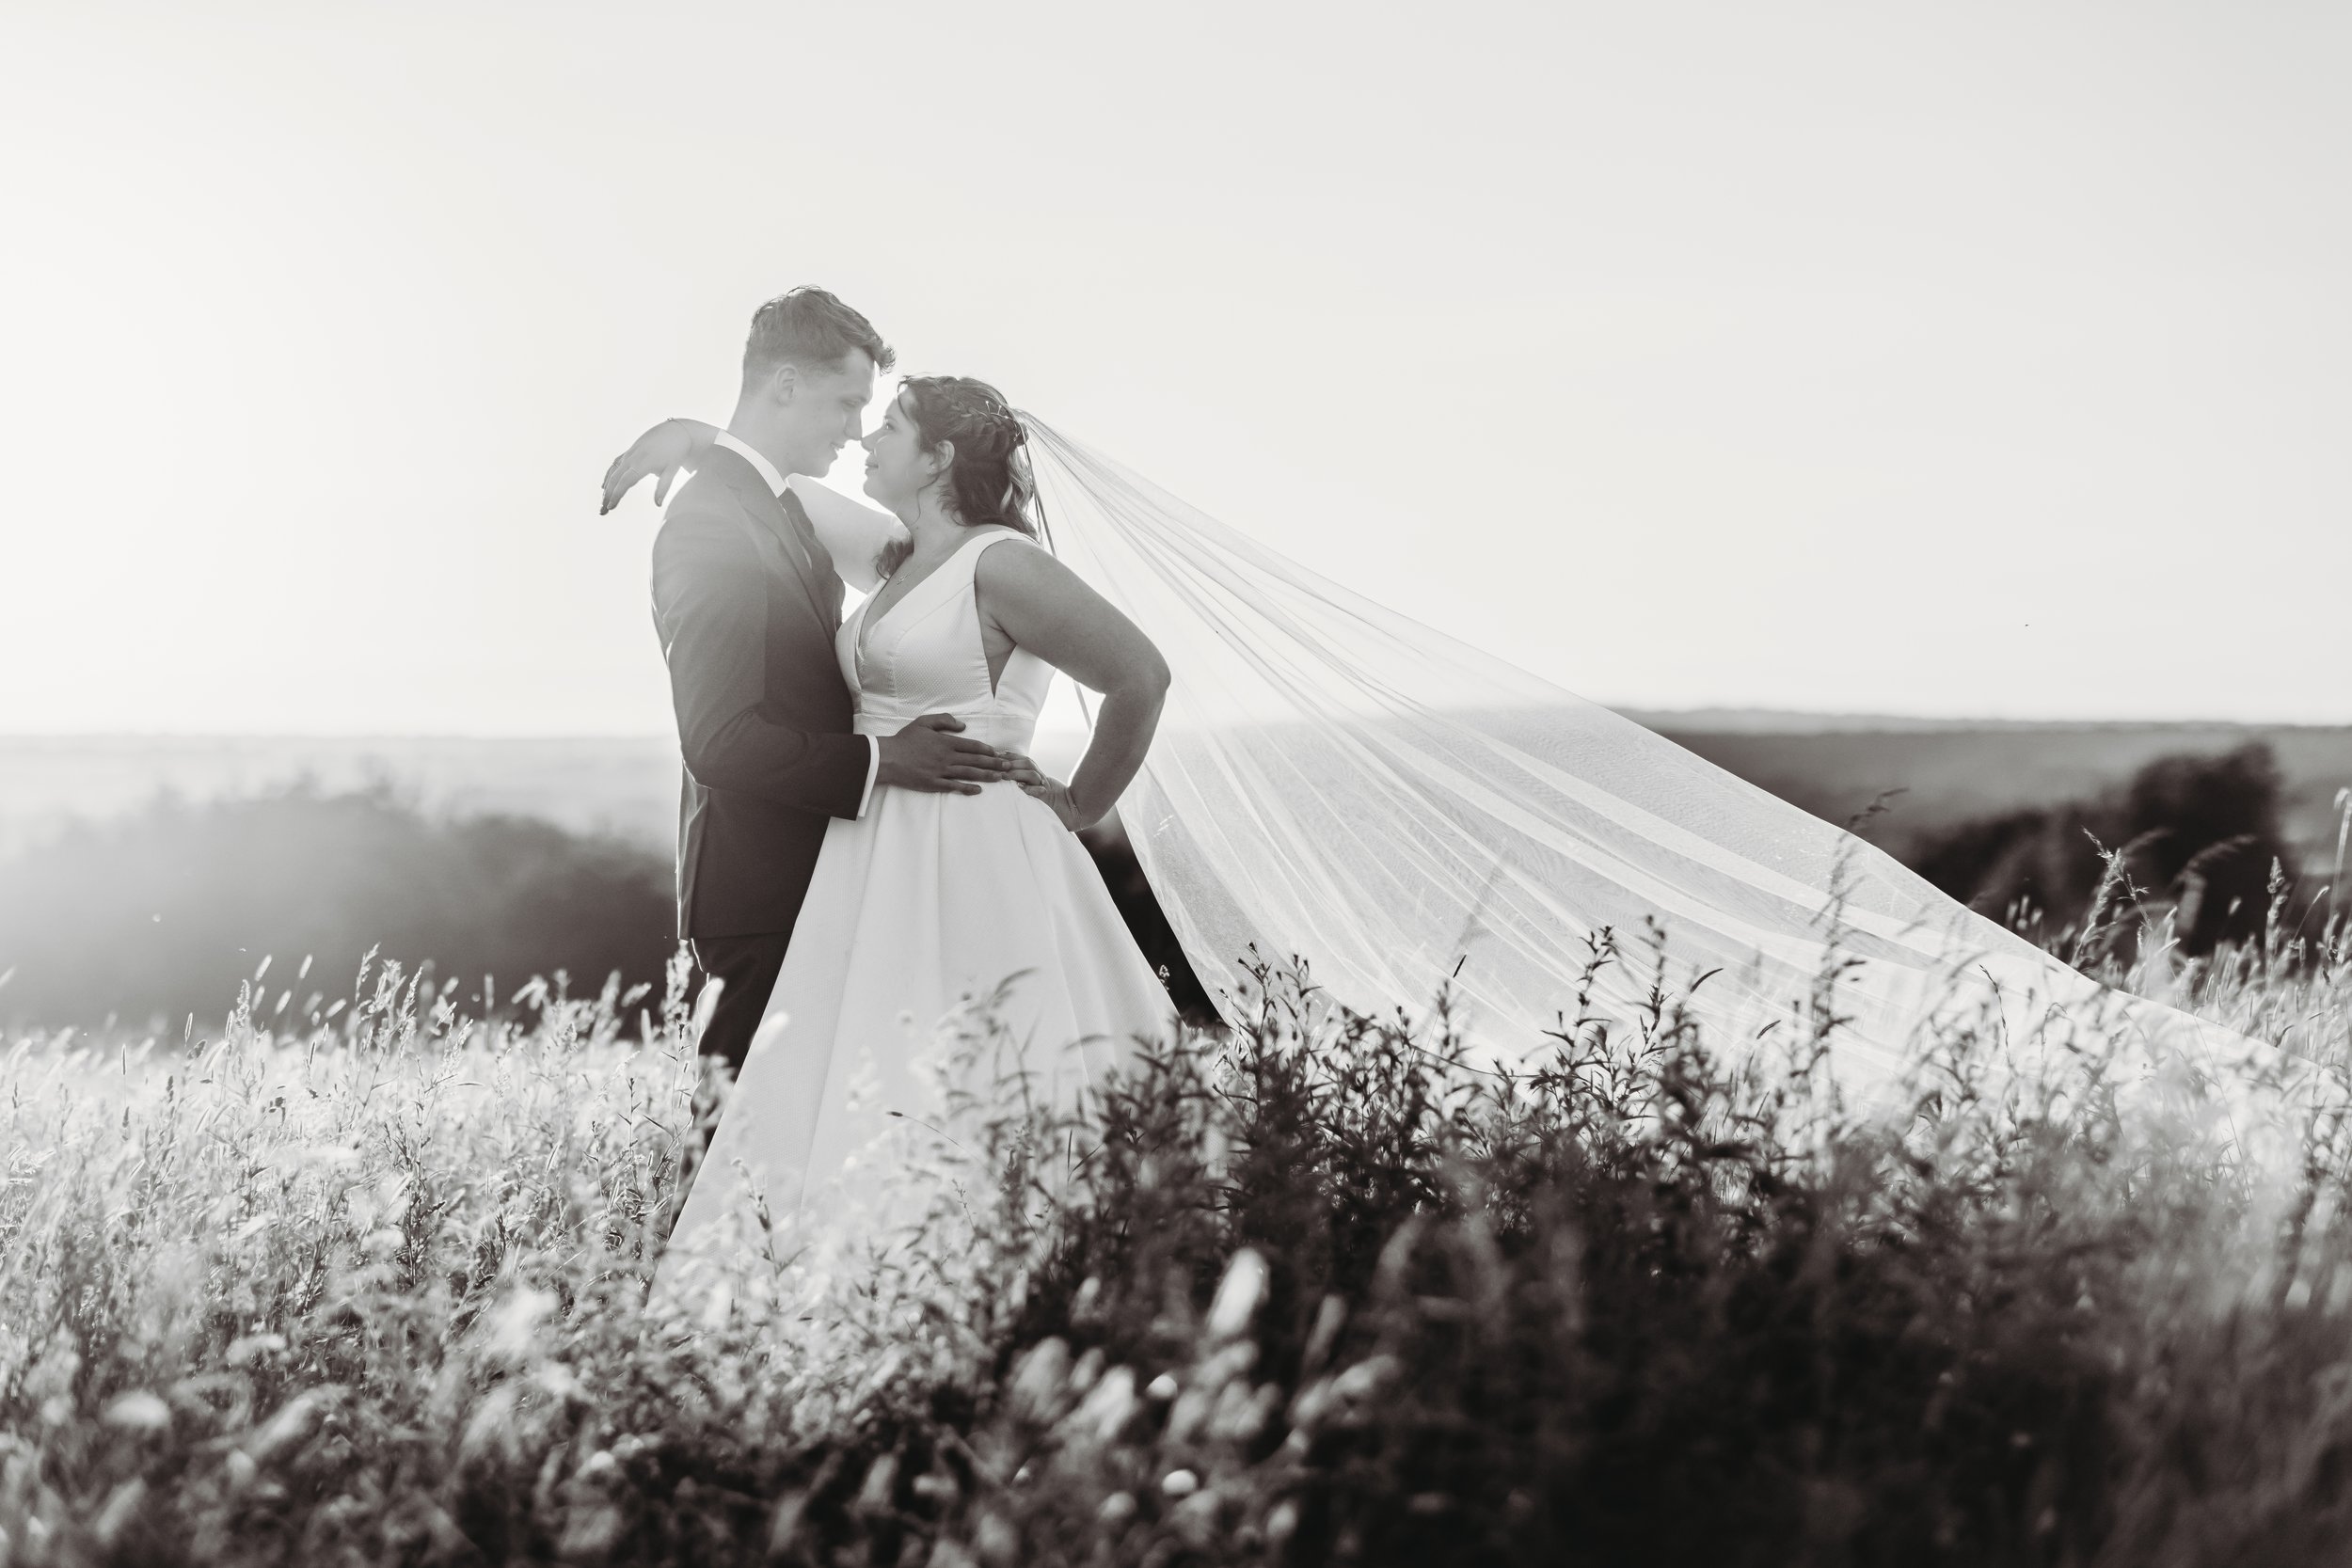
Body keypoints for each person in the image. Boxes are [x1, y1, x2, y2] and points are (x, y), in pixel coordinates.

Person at [609, 373, 1176, 1259]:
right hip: (871, 848)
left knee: (997, 1057)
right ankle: (859, 1257)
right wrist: (694, 436)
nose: (866, 441)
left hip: (974, 839)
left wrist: (1076, 806)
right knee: (869, 1065)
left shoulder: (1003, 562)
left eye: (889, 429)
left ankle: (1025, 1259)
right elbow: (778, 482)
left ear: (940, 456)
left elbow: (1141, 677)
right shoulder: (898, 555)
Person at [626, 289, 1032, 1219]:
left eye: (870, 412)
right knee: (729, 1156)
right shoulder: (711, 525)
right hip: (764, 888)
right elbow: (719, 740)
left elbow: (928, 556)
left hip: (827, 872)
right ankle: (676, 1336)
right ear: (781, 384)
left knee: (812, 1146)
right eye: (845, 404)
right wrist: (883, 760)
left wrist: (695, 435)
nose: (855, 431)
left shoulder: (775, 506)